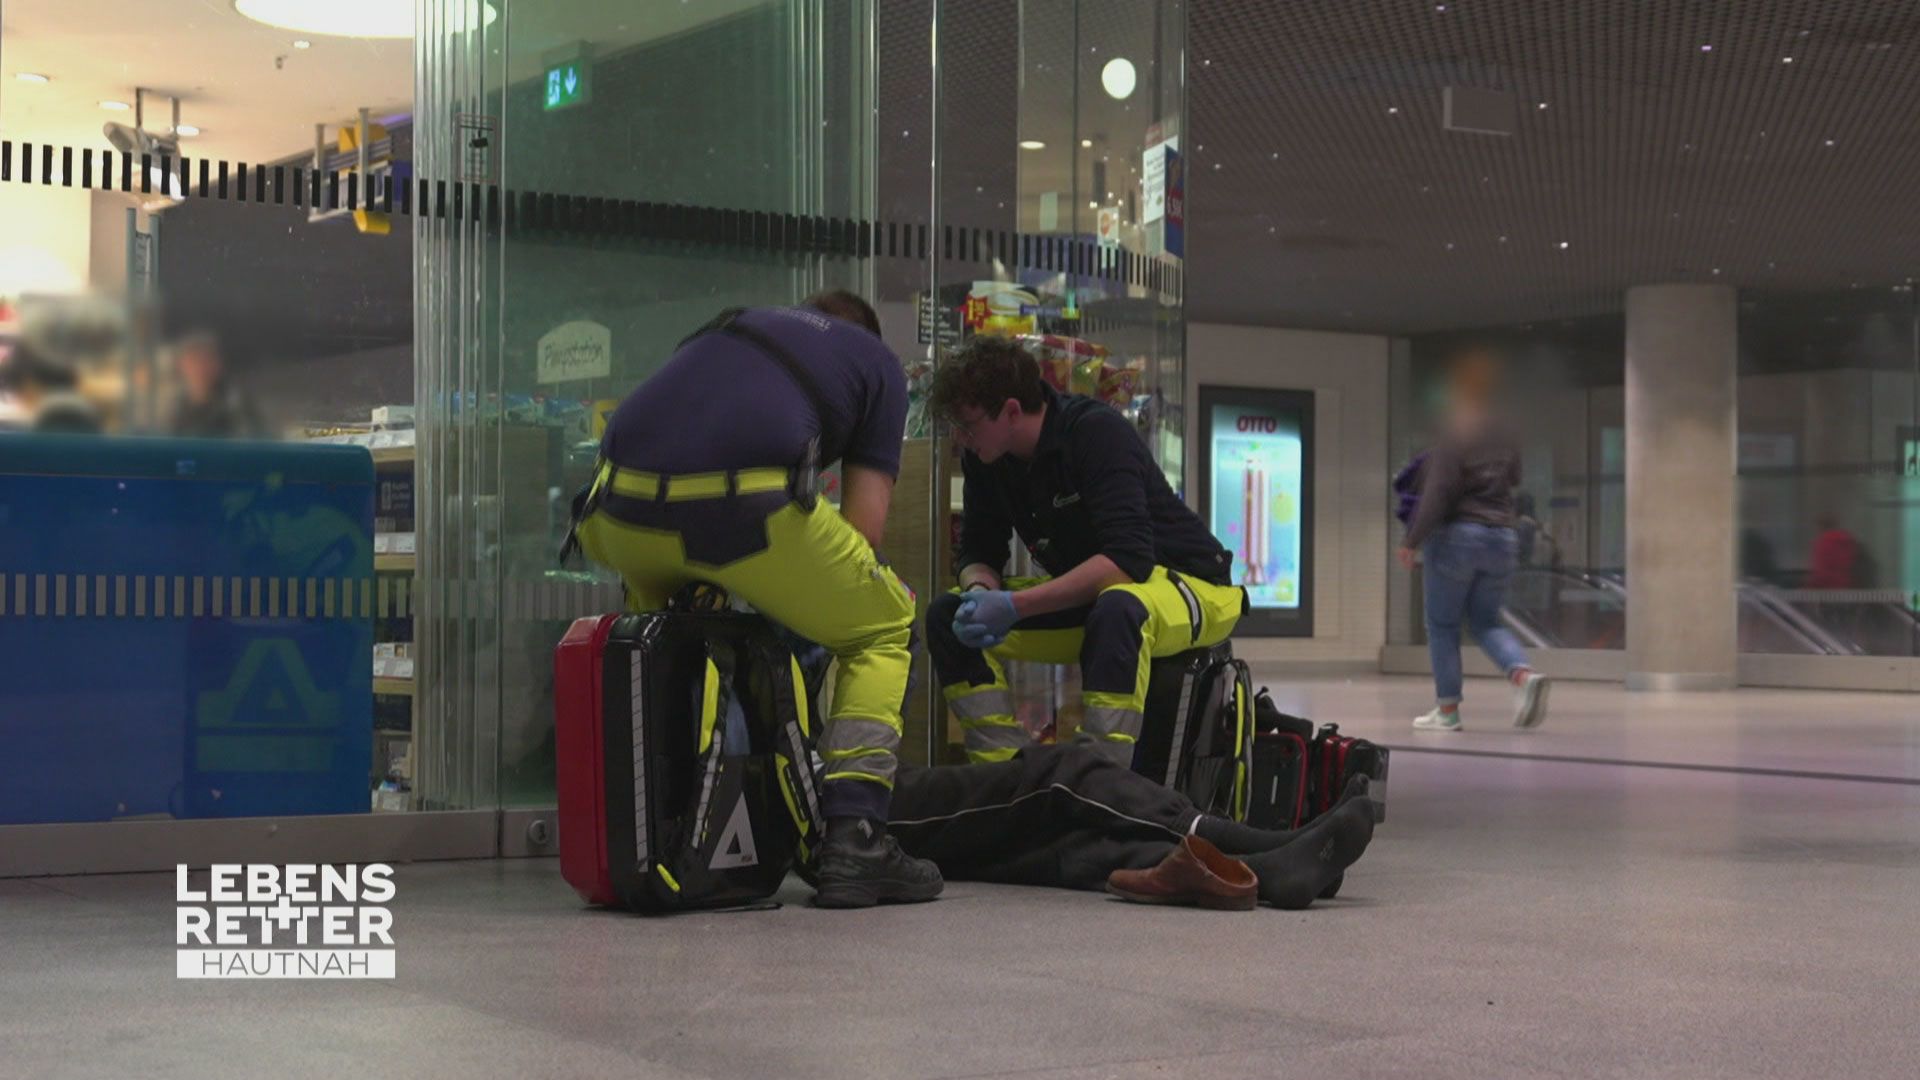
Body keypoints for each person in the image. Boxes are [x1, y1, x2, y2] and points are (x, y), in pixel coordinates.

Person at [570, 289, 943, 910]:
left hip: (612, 514)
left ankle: (662, 826)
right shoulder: (877, 365)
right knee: (882, 624)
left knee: (673, 642)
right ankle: (856, 837)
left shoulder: (729, 327)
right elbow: (864, 532)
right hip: (740, 509)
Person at [924, 335, 1246, 766]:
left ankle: (1100, 785)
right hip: (1102, 598)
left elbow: (1128, 560)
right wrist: (980, 589)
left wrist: (1015, 605)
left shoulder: (1094, 431)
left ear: (1012, 411)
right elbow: (980, 548)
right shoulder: (988, 460)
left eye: (968, 425)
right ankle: (1002, 775)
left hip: (1191, 585)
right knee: (947, 615)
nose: (960, 439)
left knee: (1119, 608)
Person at [885, 743, 1377, 910]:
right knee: (1059, 773)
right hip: (856, 802)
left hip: (862, 793)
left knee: (1069, 846)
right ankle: (1261, 845)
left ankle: (1262, 868)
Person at [1398, 351, 1549, 732]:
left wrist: (1412, 539)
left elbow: (1440, 489)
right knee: (1486, 621)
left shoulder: (1456, 429)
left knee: (1444, 626)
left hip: (1458, 537)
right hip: (1502, 536)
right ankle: (1523, 676)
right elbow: (1514, 476)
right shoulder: (1505, 434)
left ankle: (1447, 712)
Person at [169, 333, 262, 439]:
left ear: (219, 365)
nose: (201, 368)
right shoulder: (176, 407)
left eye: (208, 359)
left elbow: (251, 444)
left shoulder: (237, 406)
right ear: (181, 365)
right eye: (194, 360)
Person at [1806, 514, 1861, 589]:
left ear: (1822, 527)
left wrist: (1809, 587)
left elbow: (1821, 571)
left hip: (1827, 589)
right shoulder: (1848, 541)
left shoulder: (1824, 542)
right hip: (1846, 586)